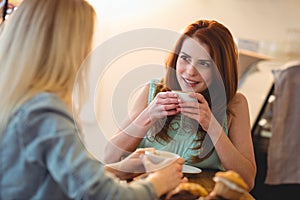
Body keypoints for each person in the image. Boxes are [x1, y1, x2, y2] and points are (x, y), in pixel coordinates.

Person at [0, 0, 186, 199]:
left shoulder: (20, 102)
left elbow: (59, 176)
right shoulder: (44, 112)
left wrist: (116, 169)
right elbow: (102, 194)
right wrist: (158, 182)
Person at [104, 19, 256, 190]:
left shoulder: (234, 104)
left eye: (204, 63)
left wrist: (212, 125)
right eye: (185, 58)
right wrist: (148, 116)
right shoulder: (152, 91)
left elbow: (247, 181)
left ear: (220, 69)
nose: (190, 71)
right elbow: (110, 157)